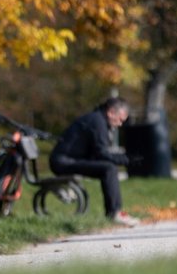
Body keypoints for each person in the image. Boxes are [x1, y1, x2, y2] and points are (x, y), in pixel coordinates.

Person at [48, 97, 140, 227]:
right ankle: (114, 213)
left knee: (108, 168)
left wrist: (124, 158)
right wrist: (127, 159)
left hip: (67, 160)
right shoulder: (98, 122)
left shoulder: (96, 119)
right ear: (111, 112)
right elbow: (101, 153)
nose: (120, 124)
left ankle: (115, 212)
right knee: (109, 168)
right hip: (64, 162)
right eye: (120, 119)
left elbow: (98, 153)